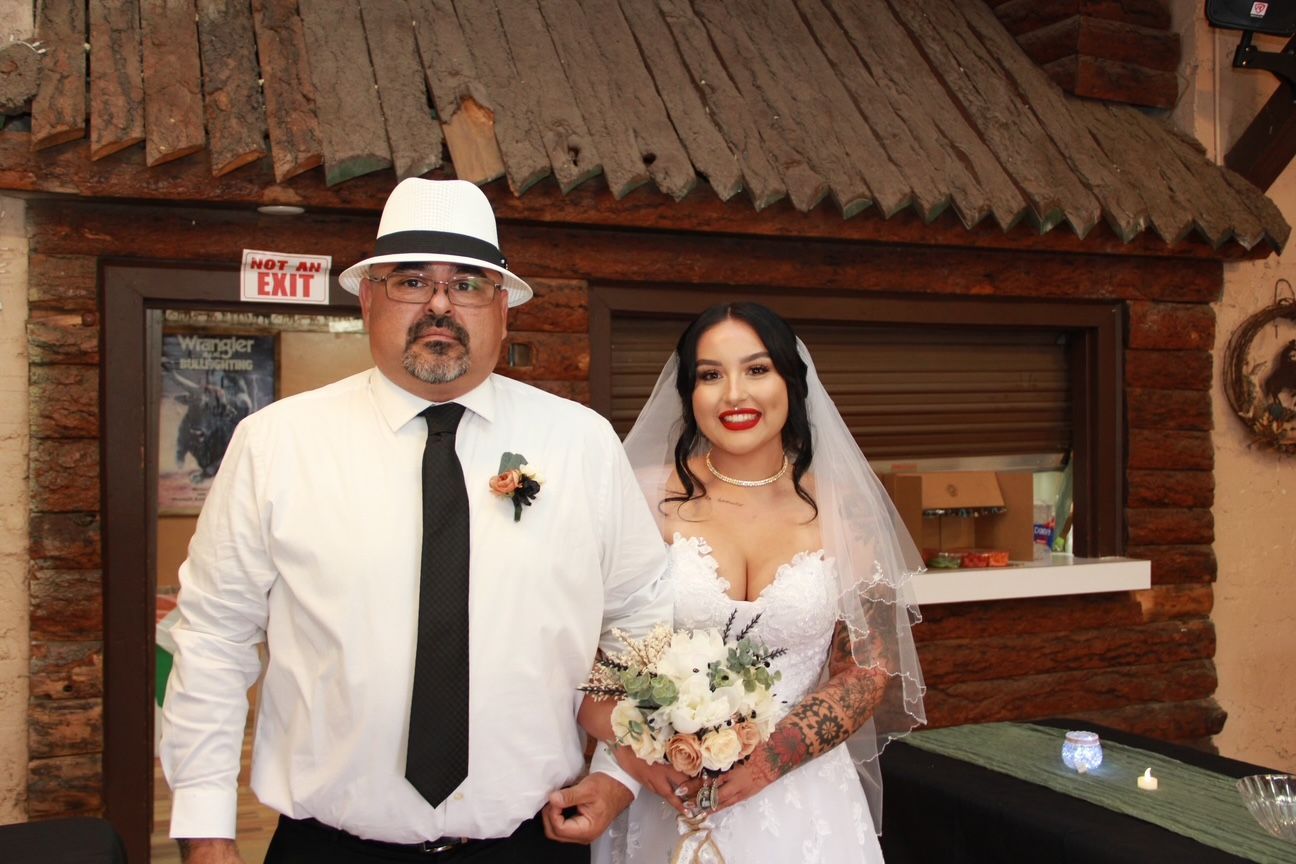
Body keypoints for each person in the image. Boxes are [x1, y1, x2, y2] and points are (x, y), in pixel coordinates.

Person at [160, 178, 670, 864]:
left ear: (503, 310)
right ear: (368, 300)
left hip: (530, 847)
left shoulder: (582, 445)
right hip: (330, 850)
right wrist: (206, 830)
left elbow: (643, 622)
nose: (439, 305)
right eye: (410, 281)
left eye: (467, 284)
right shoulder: (275, 444)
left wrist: (616, 773)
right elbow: (213, 640)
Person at [588, 302, 926, 863]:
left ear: (792, 382)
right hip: (666, 795)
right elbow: (590, 657)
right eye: (710, 375)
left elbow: (868, 666)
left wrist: (769, 763)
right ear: (688, 393)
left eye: (757, 369)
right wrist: (644, 758)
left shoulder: (845, 510)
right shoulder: (642, 498)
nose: (734, 395)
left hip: (806, 799)